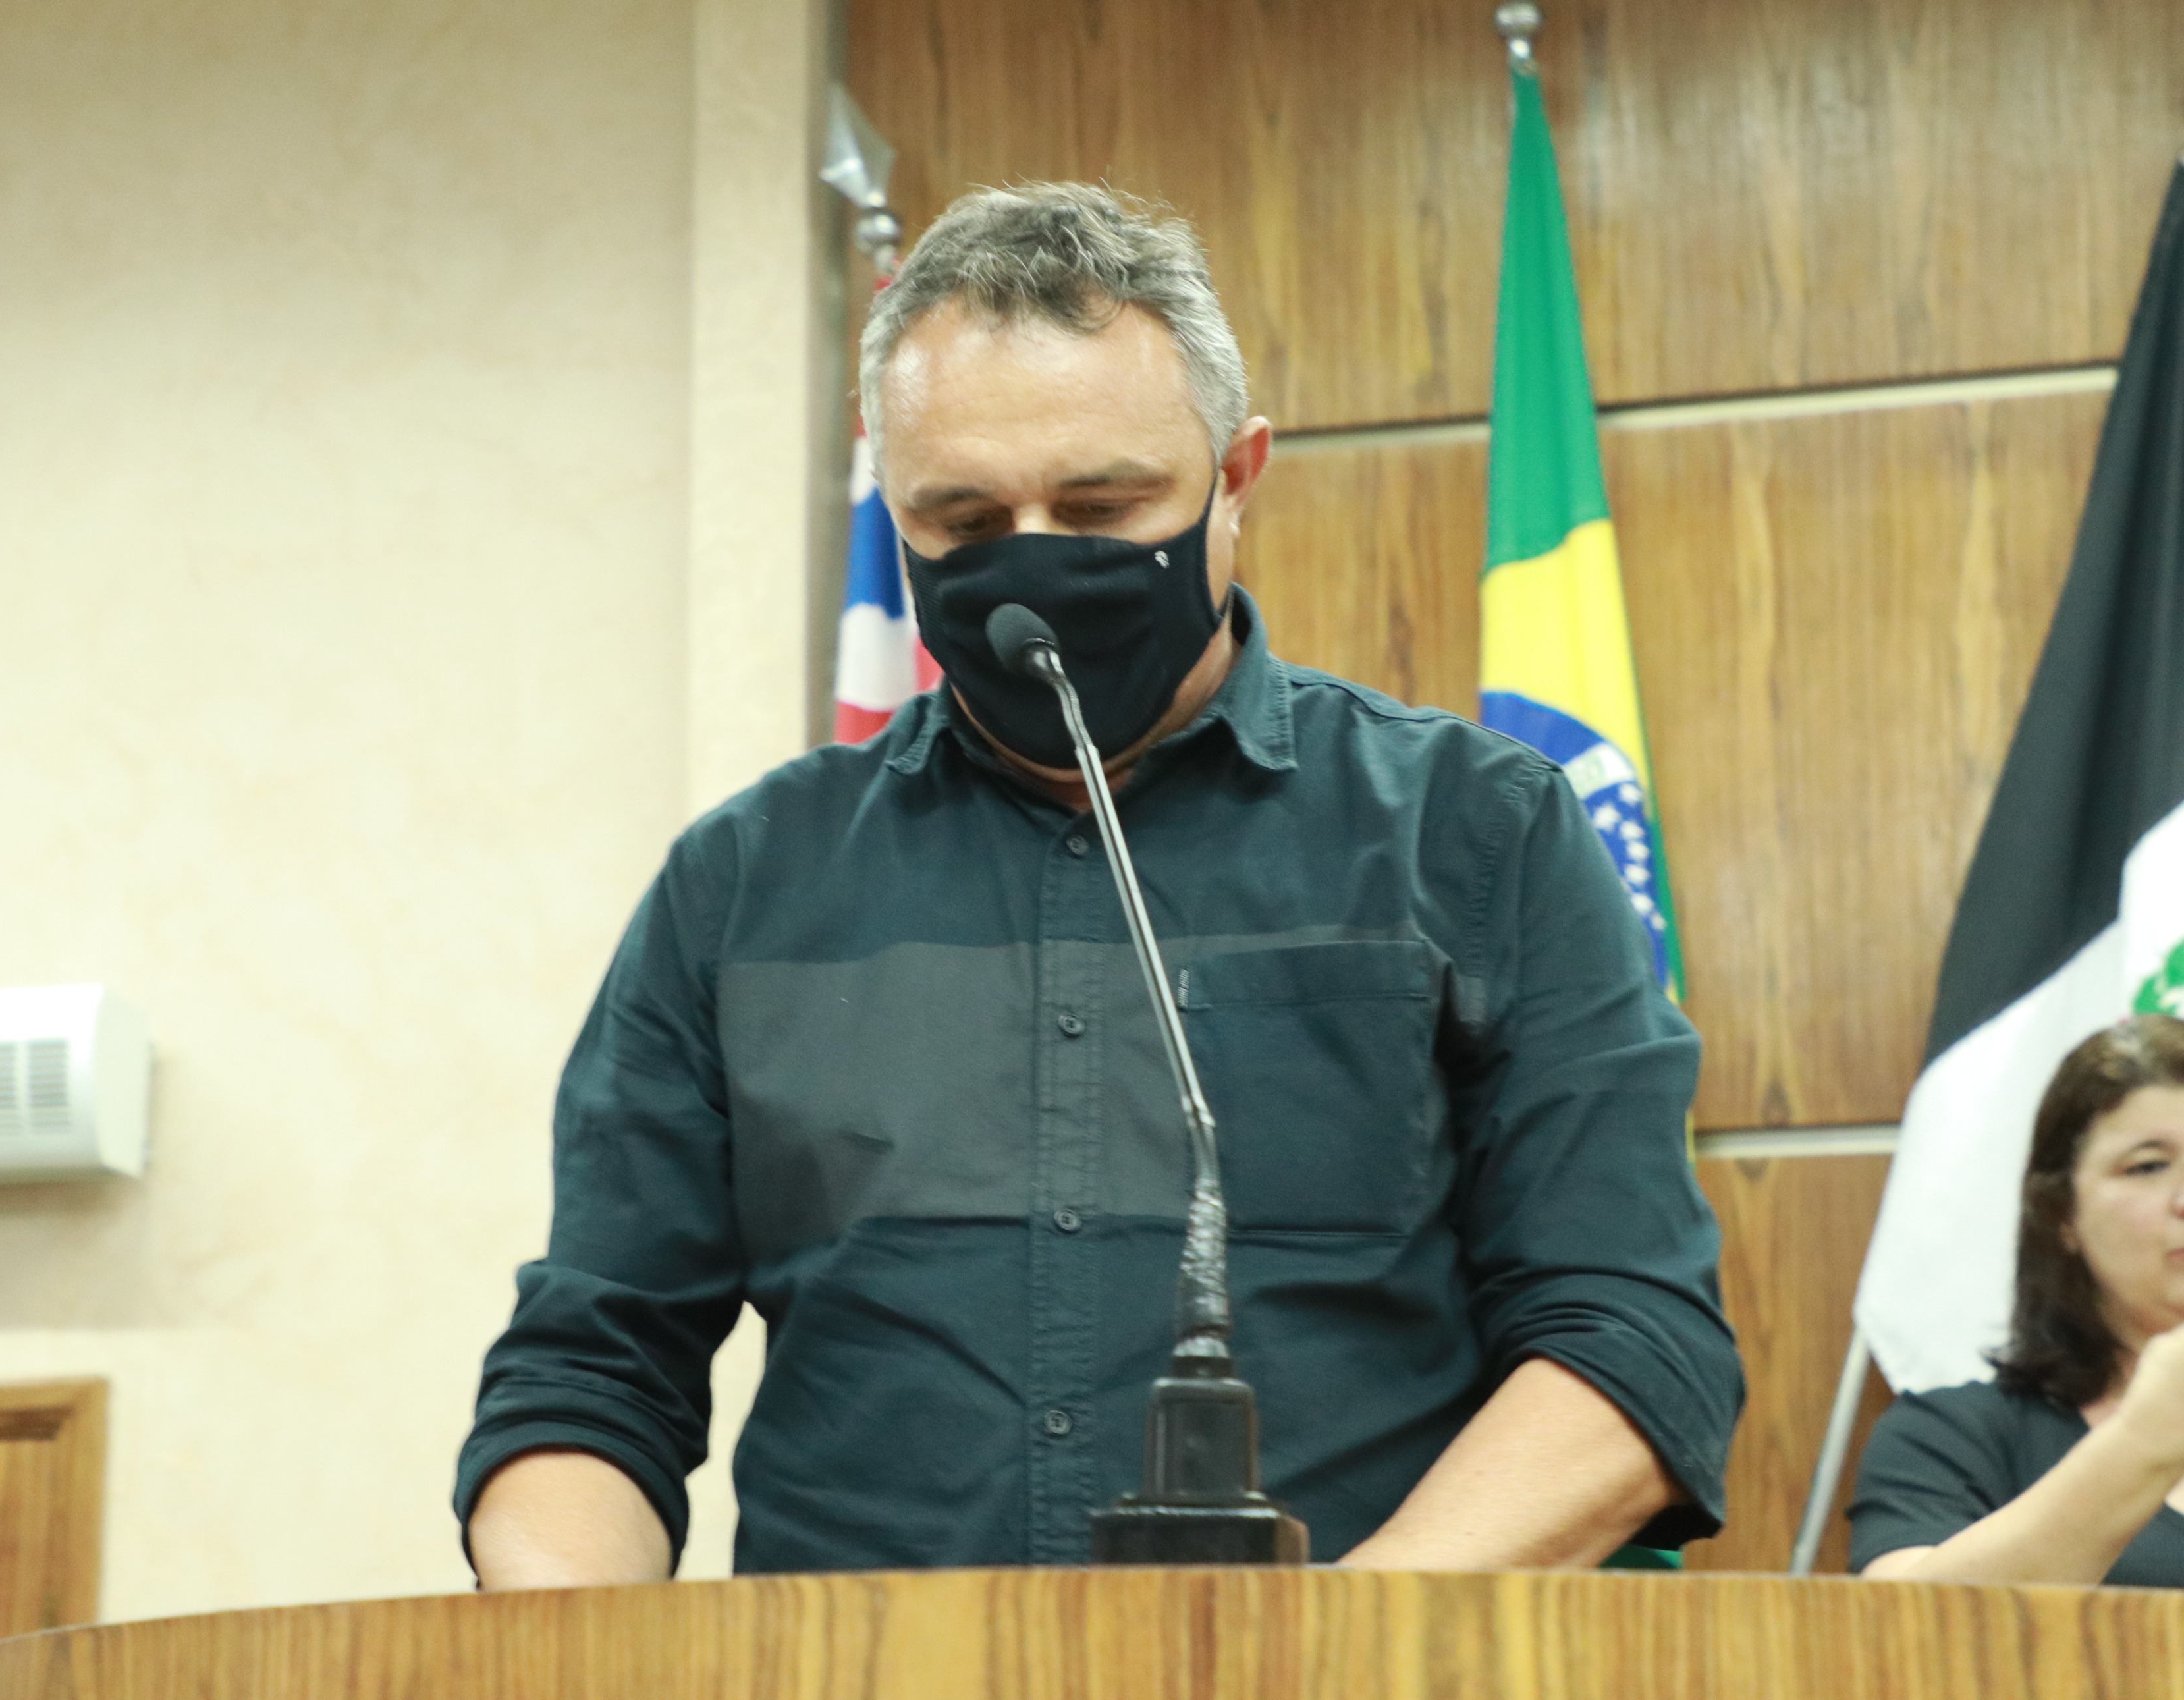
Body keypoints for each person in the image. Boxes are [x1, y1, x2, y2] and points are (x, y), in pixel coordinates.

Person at [456, 182, 1741, 1587]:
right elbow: (591, 1375)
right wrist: (572, 1646)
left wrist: (1330, 1658)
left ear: (1236, 476)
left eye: (1101, 505)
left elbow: (1630, 1340)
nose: (1033, 560)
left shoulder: (1476, 834)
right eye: (963, 518)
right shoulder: (742, 885)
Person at [1851, 1012, 2184, 1585]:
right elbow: (1900, 1626)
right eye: (2148, 1165)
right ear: (2062, 1213)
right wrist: (2144, 1440)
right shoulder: (1954, 1435)